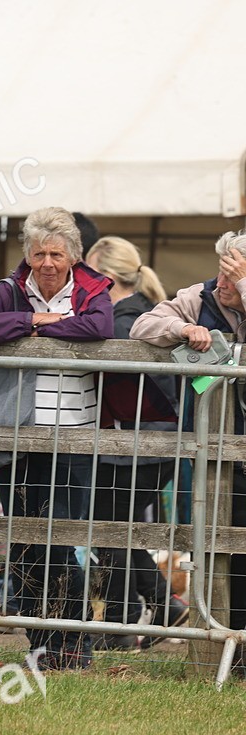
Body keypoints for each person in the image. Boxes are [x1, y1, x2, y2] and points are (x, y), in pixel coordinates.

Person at [0, 207, 113, 669]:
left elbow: (98, 327)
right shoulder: (11, 289)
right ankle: (40, 645)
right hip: (18, 437)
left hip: (73, 438)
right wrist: (32, 322)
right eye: (39, 253)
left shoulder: (92, 289)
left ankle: (75, 645)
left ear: (72, 257)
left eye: (56, 254)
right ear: (28, 255)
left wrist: (45, 326)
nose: (47, 263)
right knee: (25, 543)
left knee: (58, 541)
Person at [130, 229, 246, 636]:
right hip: (215, 448)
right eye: (224, 271)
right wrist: (182, 330)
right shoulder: (201, 296)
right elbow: (143, 324)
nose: (225, 283)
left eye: (237, 275)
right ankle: (222, 643)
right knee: (217, 545)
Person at [84, 236, 187, 650]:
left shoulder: (124, 322)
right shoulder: (142, 313)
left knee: (109, 529)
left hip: (138, 447)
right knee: (116, 529)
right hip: (146, 446)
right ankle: (142, 614)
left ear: (106, 278)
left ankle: (135, 616)